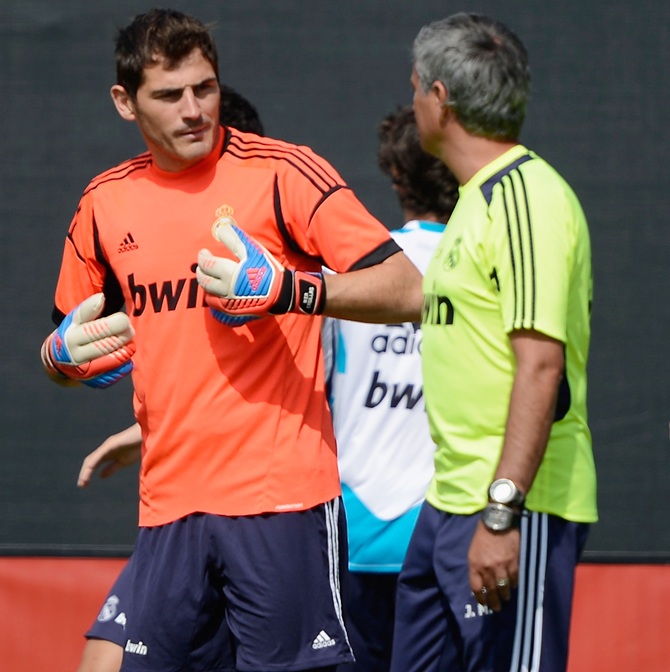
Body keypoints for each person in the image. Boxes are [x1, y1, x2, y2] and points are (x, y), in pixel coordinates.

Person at [40, 9, 422, 672]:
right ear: (124, 103)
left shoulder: (285, 173)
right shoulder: (104, 204)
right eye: (169, 95)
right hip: (169, 512)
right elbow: (67, 348)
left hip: (282, 504)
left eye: (205, 88)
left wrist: (288, 290)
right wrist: (60, 360)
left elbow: (408, 290)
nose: (193, 110)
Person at [389, 12, 598, 672]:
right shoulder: (477, 200)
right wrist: (290, 290)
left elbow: (540, 366)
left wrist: (503, 513)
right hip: (447, 503)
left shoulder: (527, 198)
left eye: (416, 85)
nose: (412, 99)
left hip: (510, 507)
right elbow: (416, 303)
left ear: (441, 98)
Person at [74, 84, 268, 672]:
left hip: (265, 519)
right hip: (176, 513)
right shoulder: (138, 243)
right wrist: (140, 431)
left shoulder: (287, 263)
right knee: (107, 658)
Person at [324, 105, 458, 672]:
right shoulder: (483, 267)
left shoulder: (351, 276)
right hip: (446, 532)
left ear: (395, 175)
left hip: (353, 532)